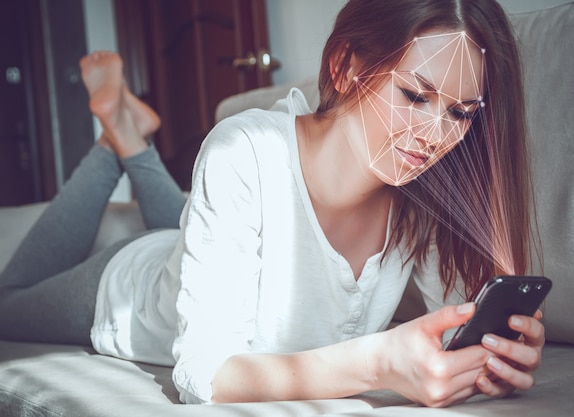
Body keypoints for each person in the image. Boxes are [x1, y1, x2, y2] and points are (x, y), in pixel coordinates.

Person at [0, 0, 544, 408]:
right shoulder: (244, 149)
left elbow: (451, 330)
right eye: (416, 96)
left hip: (216, 253)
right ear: (345, 66)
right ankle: (114, 142)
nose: (434, 134)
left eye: (461, 113)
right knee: (7, 301)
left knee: (191, 228)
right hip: (133, 288)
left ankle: (130, 137)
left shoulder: (424, 197)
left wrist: (490, 354)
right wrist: (378, 362)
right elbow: (204, 376)